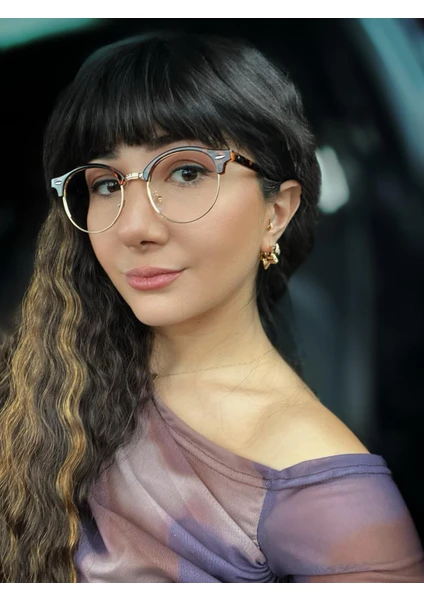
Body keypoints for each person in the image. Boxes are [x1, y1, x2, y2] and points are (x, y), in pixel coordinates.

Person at [0, 31, 423, 584]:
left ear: (277, 212)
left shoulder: (327, 493)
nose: (134, 226)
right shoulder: (44, 380)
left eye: (187, 172)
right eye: (106, 184)